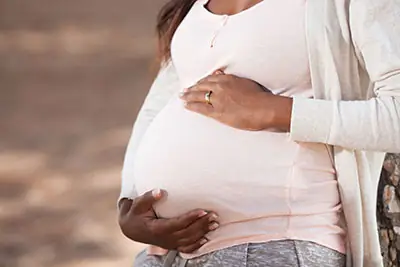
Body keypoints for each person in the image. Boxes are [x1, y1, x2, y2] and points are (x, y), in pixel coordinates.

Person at [118, 0, 400, 266]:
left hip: (274, 243)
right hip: (164, 252)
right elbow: (159, 105)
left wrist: (277, 111)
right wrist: (129, 203)